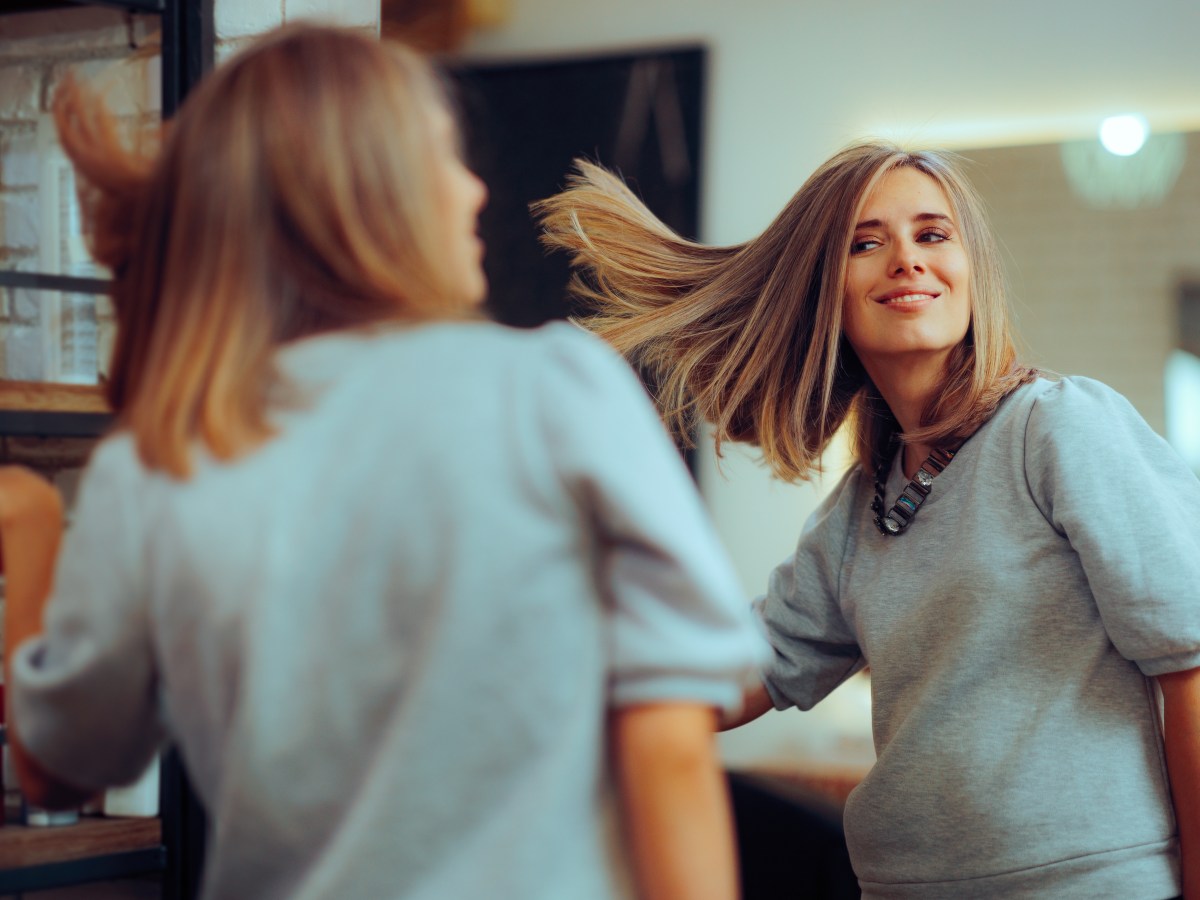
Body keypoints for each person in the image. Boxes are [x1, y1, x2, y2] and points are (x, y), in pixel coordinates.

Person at [0, 24, 769, 900]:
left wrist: (26, 522)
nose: (474, 189)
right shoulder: (555, 392)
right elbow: (668, 748)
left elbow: (58, 769)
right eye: (444, 157)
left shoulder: (155, 462)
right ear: (367, 193)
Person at [536, 144, 1200, 899]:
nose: (907, 260)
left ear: (973, 271)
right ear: (827, 291)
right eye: (866, 242)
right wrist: (565, 673)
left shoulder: (1058, 429)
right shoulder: (858, 510)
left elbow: (1192, 658)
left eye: (933, 234)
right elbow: (749, 669)